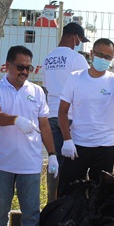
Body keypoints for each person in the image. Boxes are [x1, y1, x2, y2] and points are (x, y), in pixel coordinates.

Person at [0, 46, 58, 226]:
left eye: (28, 67)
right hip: (3, 162)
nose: (24, 71)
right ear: (7, 65)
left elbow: (44, 125)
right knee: (1, 210)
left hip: (30, 163)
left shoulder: (37, 91)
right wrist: (16, 119)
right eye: (20, 67)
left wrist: (52, 154)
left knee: (31, 213)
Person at [57, 38, 114, 197]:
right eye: (99, 55)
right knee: (68, 192)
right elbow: (62, 112)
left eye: (107, 57)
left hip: (105, 147)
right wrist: (67, 140)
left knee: (101, 195)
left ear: (112, 59)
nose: (103, 59)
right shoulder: (75, 78)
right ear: (91, 54)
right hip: (78, 145)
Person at [41, 22, 89, 201]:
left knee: (54, 162)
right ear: (74, 36)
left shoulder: (48, 58)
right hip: (71, 118)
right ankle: (71, 204)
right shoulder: (77, 59)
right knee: (75, 166)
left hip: (51, 116)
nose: (79, 44)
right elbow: (86, 88)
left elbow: (46, 88)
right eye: (80, 40)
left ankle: (52, 203)